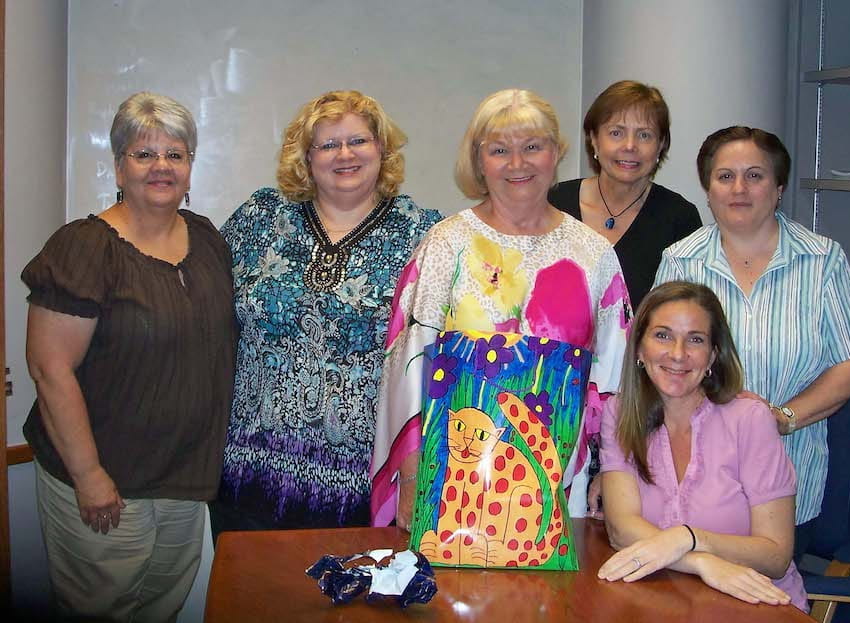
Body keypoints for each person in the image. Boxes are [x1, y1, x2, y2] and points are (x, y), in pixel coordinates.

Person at [371, 88, 630, 531]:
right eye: (499, 150)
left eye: (533, 147)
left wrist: (611, 467)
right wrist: (411, 475)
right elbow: (408, 366)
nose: (518, 163)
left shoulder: (594, 254)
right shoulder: (445, 245)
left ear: (556, 154)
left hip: (558, 479)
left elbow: (615, 373)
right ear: (478, 161)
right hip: (451, 475)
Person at [23, 92, 236, 621]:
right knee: (103, 608)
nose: (161, 167)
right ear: (119, 166)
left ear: (190, 166)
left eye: (175, 154)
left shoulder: (208, 240)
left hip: (184, 478)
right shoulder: (83, 248)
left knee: (162, 606)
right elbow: (51, 369)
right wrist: (89, 475)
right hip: (108, 481)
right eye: (144, 154)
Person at [211, 90, 441, 538]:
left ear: (382, 150)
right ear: (306, 157)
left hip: (365, 488)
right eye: (327, 144)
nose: (344, 154)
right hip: (249, 475)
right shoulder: (260, 217)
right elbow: (198, 300)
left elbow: (440, 361)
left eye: (358, 141)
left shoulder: (424, 233)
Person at [654, 126, 850, 558]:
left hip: (790, 478)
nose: (739, 189)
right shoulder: (679, 260)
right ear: (708, 188)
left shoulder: (823, 260)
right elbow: (660, 359)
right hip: (696, 477)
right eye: (725, 176)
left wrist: (781, 418)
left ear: (778, 188)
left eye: (755, 176)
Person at [597, 281, 808, 611]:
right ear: (639, 349)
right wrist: (700, 562)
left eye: (695, 339)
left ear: (712, 355)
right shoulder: (620, 414)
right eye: (663, 335)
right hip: (664, 600)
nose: (678, 353)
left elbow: (776, 556)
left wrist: (689, 537)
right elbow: (622, 530)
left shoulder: (750, 419)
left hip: (756, 607)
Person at [548, 80, 701, 310]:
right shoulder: (553, 203)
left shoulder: (679, 219)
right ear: (594, 140)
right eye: (616, 133)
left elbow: (686, 311)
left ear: (661, 145)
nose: (630, 146)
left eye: (644, 135)